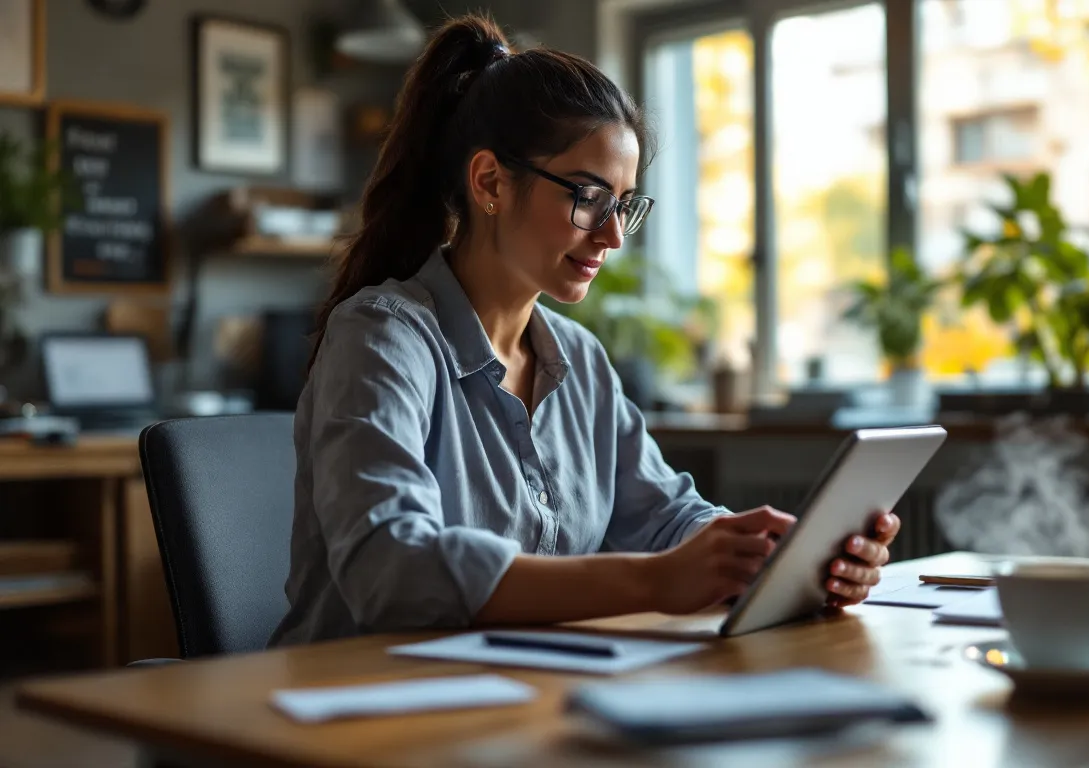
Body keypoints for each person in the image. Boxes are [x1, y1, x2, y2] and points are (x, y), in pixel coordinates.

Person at [269, 15, 901, 646]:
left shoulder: (579, 359)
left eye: (623, 203)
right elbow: (393, 570)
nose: (613, 235)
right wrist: (653, 582)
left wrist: (779, 556)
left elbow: (664, 518)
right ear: (489, 182)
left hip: (512, 694)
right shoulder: (382, 338)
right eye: (588, 195)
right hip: (353, 710)